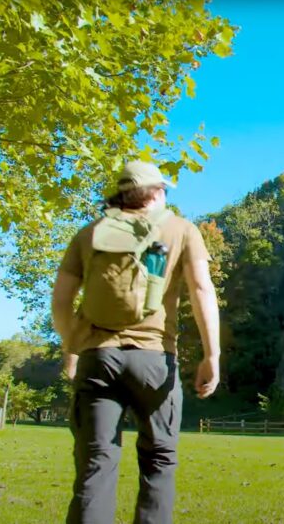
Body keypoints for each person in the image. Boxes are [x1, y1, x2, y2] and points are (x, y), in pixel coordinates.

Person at [51, 160, 221, 524]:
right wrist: (212, 355)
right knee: (159, 459)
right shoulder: (182, 230)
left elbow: (61, 300)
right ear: (158, 192)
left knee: (96, 462)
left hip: (98, 358)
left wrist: (72, 346)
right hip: (155, 360)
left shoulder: (89, 233)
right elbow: (202, 290)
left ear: (122, 194)